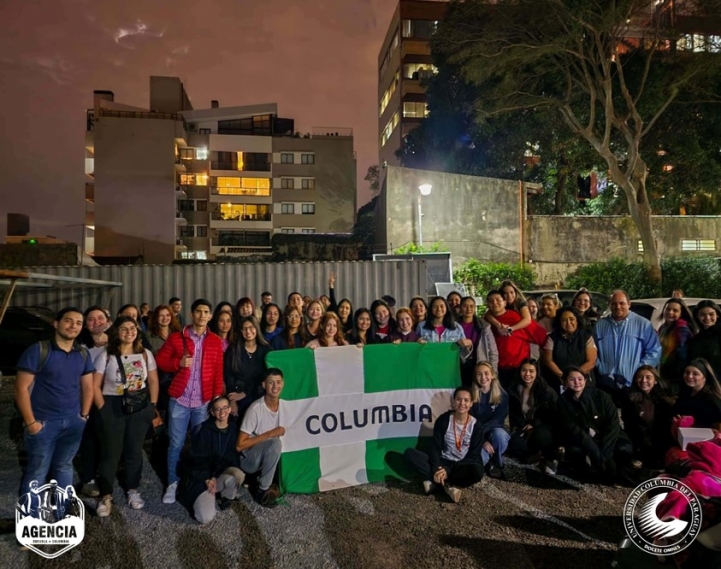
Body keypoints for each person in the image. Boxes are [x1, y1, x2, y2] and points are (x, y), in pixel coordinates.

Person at [15, 307, 94, 500]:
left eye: (78, 323)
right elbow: (20, 389)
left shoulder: (82, 353)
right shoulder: (39, 350)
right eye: (68, 321)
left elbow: (88, 387)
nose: (73, 326)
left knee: (64, 466)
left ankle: (63, 511)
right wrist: (31, 423)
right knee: (37, 473)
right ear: (56, 323)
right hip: (43, 423)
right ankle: (30, 519)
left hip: (73, 421)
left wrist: (83, 415)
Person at [156, 299, 225, 505]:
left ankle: (198, 480)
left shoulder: (214, 341)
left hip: (202, 403)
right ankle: (172, 483)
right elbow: (160, 361)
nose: (202, 315)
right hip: (179, 400)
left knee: (200, 445)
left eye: (206, 312)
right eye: (198, 311)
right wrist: (178, 363)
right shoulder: (177, 338)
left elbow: (217, 371)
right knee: (175, 444)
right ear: (192, 314)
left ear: (210, 316)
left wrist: (215, 397)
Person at [92, 316, 159, 516]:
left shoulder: (145, 354)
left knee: (134, 450)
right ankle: (105, 495)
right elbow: (95, 385)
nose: (128, 332)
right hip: (112, 404)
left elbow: (153, 381)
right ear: (116, 332)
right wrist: (103, 408)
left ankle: (132, 489)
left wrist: (152, 406)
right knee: (111, 453)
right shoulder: (106, 355)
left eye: (132, 328)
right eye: (123, 328)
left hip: (139, 406)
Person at [403, 386, 484, 503]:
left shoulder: (476, 426)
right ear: (453, 401)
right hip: (443, 461)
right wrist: (437, 468)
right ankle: (449, 485)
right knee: (410, 454)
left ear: (471, 403)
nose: (462, 403)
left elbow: (474, 455)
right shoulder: (443, 419)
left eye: (466, 400)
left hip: (462, 464)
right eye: (458, 399)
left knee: (477, 471)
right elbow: (435, 447)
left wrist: (448, 470)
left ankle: (435, 482)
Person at [556, 366, 633, 483]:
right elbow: (575, 430)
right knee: (576, 452)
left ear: (586, 380)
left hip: (608, 437)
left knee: (624, 449)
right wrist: (598, 456)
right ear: (565, 382)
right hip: (583, 439)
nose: (577, 382)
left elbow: (613, 424)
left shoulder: (601, 396)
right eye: (572, 379)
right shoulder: (562, 401)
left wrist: (603, 454)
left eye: (580, 379)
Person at [179, 396, 245, 524]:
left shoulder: (233, 429)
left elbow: (233, 457)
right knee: (205, 518)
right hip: (204, 478)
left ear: (230, 409)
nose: (222, 412)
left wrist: (218, 476)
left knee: (238, 475)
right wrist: (207, 478)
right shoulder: (204, 430)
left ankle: (226, 496)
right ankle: (205, 498)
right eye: (218, 409)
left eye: (225, 408)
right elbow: (196, 460)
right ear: (213, 412)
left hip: (220, 474)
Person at [593, 290, 661, 402]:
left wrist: (638, 371)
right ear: (609, 305)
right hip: (606, 383)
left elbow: (654, 351)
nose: (617, 307)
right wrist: (600, 367)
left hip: (633, 384)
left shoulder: (643, 324)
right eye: (613, 303)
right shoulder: (600, 325)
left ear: (629, 304)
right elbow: (592, 350)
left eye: (622, 303)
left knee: (631, 416)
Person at [76, 305, 112, 498]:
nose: (96, 322)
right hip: (87, 399)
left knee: (109, 440)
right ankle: (88, 479)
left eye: (100, 318)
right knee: (89, 440)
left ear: (108, 321)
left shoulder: (118, 342)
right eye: (91, 319)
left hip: (112, 399)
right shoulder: (79, 346)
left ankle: (106, 477)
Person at [236, 369, 286, 507]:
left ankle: (275, 480)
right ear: (264, 385)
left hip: (269, 457)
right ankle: (262, 491)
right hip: (250, 460)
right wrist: (269, 434)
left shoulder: (285, 406)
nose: (275, 386)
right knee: (275, 443)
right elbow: (239, 445)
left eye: (278, 382)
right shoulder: (255, 409)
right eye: (271, 382)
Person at [485, 290, 548, 389]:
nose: (494, 303)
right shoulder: (486, 321)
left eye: (498, 300)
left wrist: (547, 360)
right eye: (491, 301)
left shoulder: (516, 318)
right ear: (487, 304)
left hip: (518, 369)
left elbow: (542, 337)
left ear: (505, 302)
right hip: (496, 369)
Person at [508, 359, 559, 473]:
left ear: (537, 373)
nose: (527, 374)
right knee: (515, 445)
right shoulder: (514, 389)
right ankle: (536, 454)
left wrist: (534, 424)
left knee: (541, 437)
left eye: (531, 371)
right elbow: (514, 414)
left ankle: (548, 456)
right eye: (524, 370)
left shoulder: (546, 391)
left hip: (542, 425)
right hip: (524, 425)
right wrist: (520, 427)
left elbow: (552, 415)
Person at [620, 366, 676, 469]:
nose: (643, 380)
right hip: (636, 440)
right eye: (640, 377)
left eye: (648, 377)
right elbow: (629, 424)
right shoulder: (629, 398)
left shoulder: (665, 401)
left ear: (655, 381)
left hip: (659, 440)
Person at [541, 306, 597, 393]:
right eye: (564, 320)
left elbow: (591, 362)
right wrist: (564, 377)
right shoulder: (552, 338)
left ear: (577, 320)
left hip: (583, 381)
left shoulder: (586, 337)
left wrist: (574, 378)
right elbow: (548, 360)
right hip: (559, 381)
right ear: (559, 322)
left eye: (571, 319)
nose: (568, 323)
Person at [225, 316, 271, 419]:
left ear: (256, 328)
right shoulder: (233, 350)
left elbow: (266, 376)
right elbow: (229, 376)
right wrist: (232, 401)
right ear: (240, 331)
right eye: (244, 329)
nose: (248, 331)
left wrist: (245, 393)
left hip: (260, 395)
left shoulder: (266, 349)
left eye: (251, 327)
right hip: (238, 396)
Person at [470, 361, 510, 478]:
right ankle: (488, 463)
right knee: (480, 460)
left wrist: (482, 432)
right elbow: (470, 421)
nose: (483, 377)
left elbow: (498, 420)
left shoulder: (502, 395)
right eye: (479, 374)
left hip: (493, 431)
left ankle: (496, 462)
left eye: (486, 373)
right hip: (475, 433)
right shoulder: (471, 395)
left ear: (492, 375)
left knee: (500, 436)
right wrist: (482, 441)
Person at [457, 296, 498, 384]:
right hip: (457, 365)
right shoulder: (453, 325)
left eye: (471, 306)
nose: (468, 309)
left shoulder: (484, 326)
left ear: (475, 308)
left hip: (478, 364)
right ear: (460, 308)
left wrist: (493, 372)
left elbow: (493, 351)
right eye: (465, 306)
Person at [671, 358, 721, 429]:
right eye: (687, 372)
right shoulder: (686, 393)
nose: (689, 376)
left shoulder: (712, 400)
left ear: (704, 378)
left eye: (695, 374)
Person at [657, 297, 696, 387]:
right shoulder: (663, 327)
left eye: (675, 310)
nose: (670, 312)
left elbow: (683, 357)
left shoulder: (682, 330)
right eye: (668, 309)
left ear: (681, 313)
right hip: (662, 372)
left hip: (674, 376)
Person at [687, 300, 721, 375]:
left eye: (711, 314)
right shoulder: (695, 339)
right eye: (702, 314)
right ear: (697, 316)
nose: (707, 318)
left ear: (717, 315)